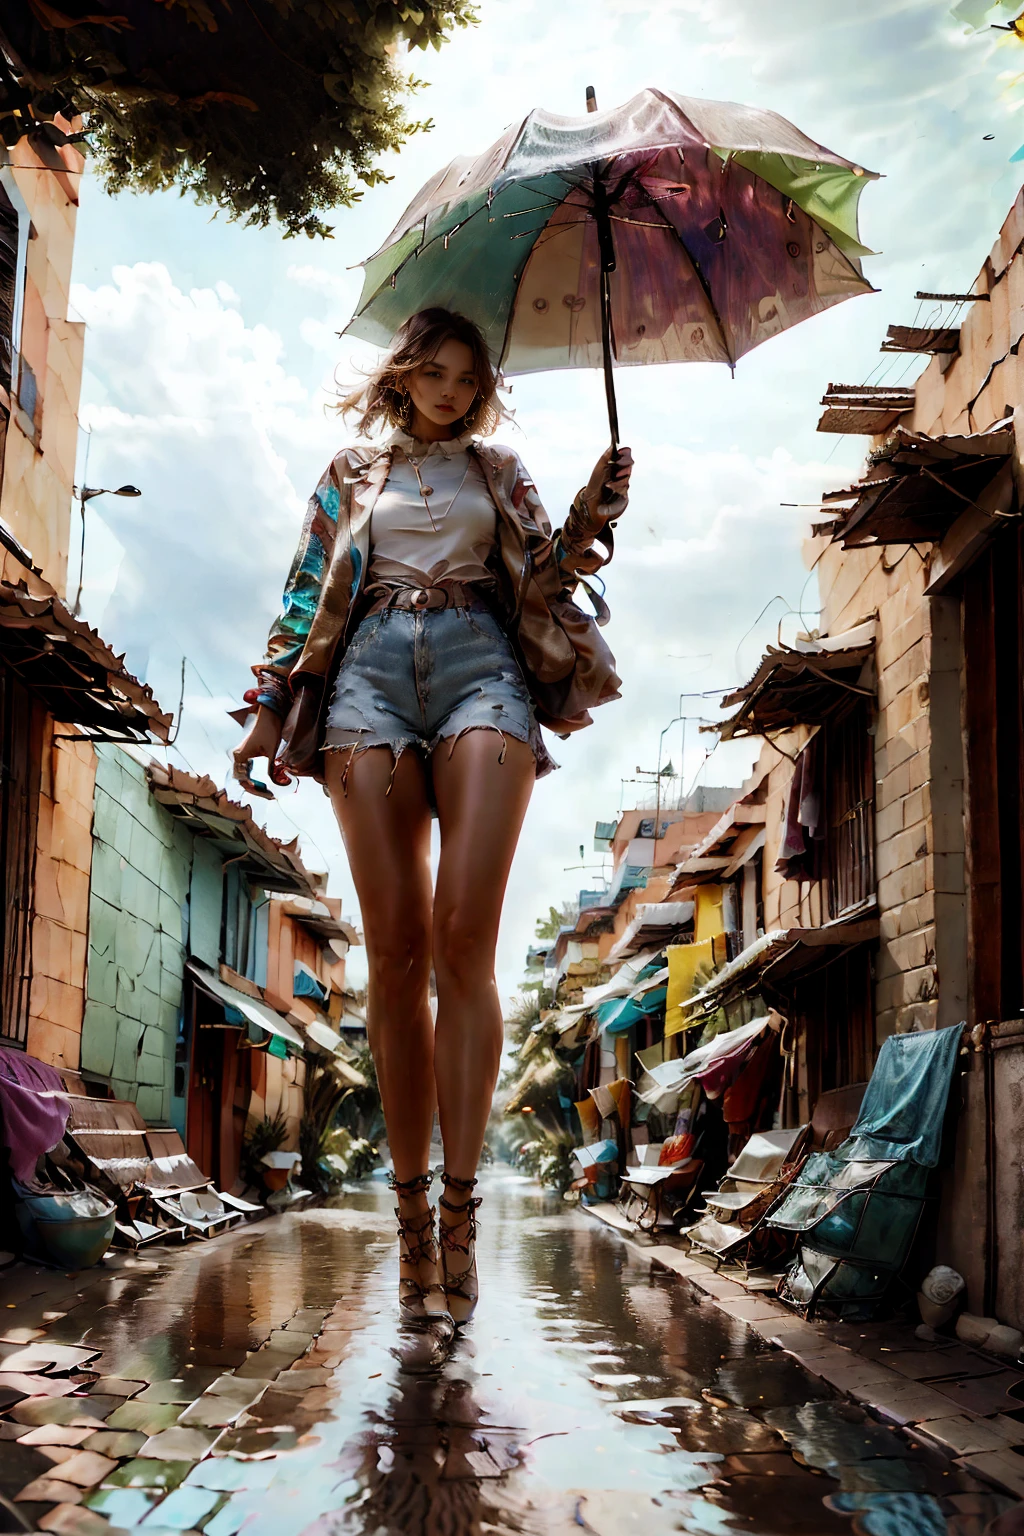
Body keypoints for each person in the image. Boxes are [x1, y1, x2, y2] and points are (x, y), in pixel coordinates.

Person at [232, 307, 631, 1342]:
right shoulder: (349, 472)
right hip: (365, 675)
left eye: (468, 377)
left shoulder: (499, 473)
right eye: (435, 373)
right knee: (397, 958)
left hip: (479, 670)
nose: (452, 391)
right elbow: (303, 590)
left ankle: (460, 1214)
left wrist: (591, 512)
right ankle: (409, 1225)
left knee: (465, 942)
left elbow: (542, 578)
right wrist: (270, 707)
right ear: (403, 373)